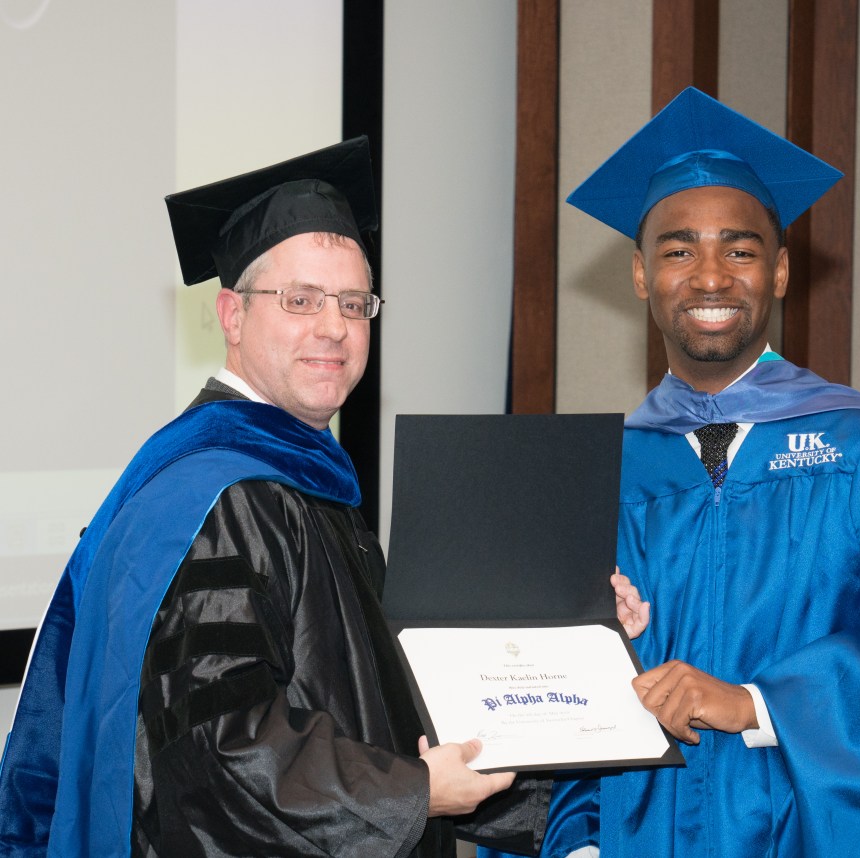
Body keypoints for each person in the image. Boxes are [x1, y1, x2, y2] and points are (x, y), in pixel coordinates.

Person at [485, 87, 860, 858]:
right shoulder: (595, 477)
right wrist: (577, 843)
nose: (709, 276)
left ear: (779, 272)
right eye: (677, 249)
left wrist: (760, 705)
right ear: (639, 275)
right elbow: (537, 704)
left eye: (739, 249)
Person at [0, 137, 548, 857]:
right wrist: (414, 789)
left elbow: (365, 700)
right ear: (231, 316)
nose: (333, 327)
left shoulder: (291, 479)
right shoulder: (225, 500)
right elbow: (221, 752)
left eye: (354, 303)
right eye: (300, 300)